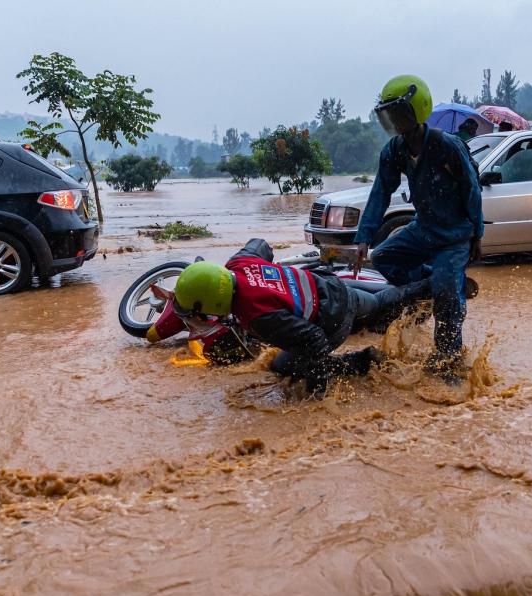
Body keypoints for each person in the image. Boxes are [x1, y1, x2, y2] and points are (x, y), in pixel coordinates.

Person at [171, 240, 422, 398]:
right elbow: (260, 243)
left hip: (333, 323)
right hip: (337, 290)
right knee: (380, 303)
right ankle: (437, 288)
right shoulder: (239, 262)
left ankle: (361, 361)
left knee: (282, 365)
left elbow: (315, 342)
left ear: (214, 300)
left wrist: (315, 394)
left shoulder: (257, 316)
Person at [355, 74, 484, 377]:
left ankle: (448, 359)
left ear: (418, 110)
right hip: (423, 229)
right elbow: (379, 193)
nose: (396, 121)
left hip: (453, 237)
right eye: (391, 115)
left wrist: (477, 234)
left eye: (400, 113)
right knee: (383, 258)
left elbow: (472, 190)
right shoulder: (394, 151)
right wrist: (364, 237)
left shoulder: (446, 146)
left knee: (448, 300)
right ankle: (435, 282)